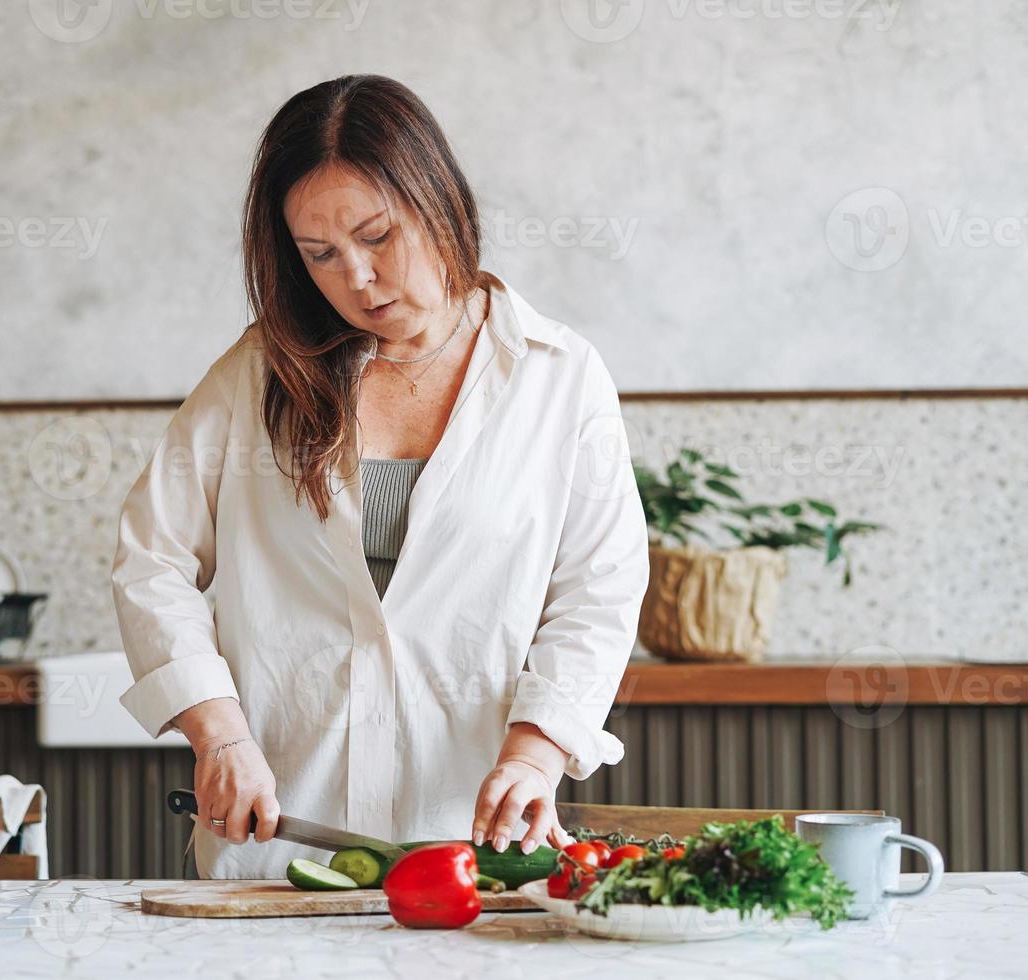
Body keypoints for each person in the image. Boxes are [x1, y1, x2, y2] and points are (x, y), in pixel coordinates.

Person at [111, 74, 650, 879]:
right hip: (281, 842)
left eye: (378, 236)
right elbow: (151, 560)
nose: (356, 279)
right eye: (320, 254)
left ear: (439, 201)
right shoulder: (261, 372)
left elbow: (598, 589)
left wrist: (535, 755)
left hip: (470, 848)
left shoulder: (557, 376)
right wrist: (218, 735)